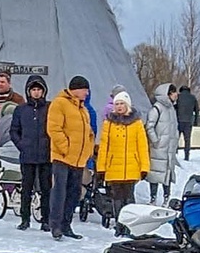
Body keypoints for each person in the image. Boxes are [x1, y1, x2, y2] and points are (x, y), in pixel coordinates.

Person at [45, 76, 96, 239]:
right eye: (85, 90)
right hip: (62, 157)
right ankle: (56, 226)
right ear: (76, 89)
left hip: (79, 159)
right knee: (59, 192)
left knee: (74, 194)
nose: (87, 93)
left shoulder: (83, 109)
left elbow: (89, 133)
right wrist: (66, 148)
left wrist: (88, 150)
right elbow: (54, 129)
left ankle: (67, 225)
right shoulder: (59, 103)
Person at [97, 88, 151, 219]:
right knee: (116, 197)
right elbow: (104, 147)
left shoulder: (137, 123)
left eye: (122, 104)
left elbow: (142, 147)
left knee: (129, 197)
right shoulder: (108, 123)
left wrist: (144, 167)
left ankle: (129, 223)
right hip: (113, 167)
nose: (119, 107)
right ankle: (119, 223)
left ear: (127, 105)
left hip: (131, 167)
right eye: (117, 104)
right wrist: (101, 168)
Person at [9, 76, 53, 230]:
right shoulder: (21, 109)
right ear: (28, 91)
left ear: (43, 91)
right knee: (26, 188)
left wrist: (50, 146)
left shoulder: (50, 108)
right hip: (27, 155)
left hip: (45, 155)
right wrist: (21, 145)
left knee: (46, 188)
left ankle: (45, 219)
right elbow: (14, 130)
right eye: (33, 89)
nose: (36, 92)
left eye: (39, 89)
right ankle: (25, 218)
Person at [143, 83, 180, 204]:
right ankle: (153, 198)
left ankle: (166, 198)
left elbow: (174, 128)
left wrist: (175, 141)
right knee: (155, 174)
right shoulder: (157, 109)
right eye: (174, 92)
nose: (176, 95)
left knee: (167, 174)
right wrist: (155, 141)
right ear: (167, 94)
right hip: (158, 148)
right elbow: (149, 126)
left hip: (169, 148)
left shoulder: (172, 109)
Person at [174, 83, 200, 159]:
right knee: (187, 140)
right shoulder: (193, 98)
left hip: (178, 121)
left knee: (176, 138)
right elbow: (197, 110)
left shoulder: (178, 97)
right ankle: (186, 156)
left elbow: (174, 108)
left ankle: (175, 154)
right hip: (188, 122)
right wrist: (196, 121)